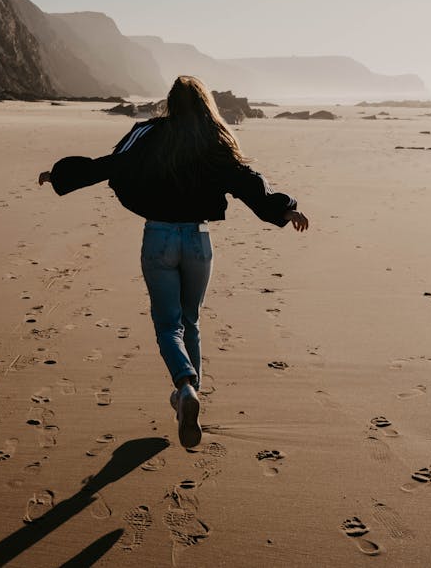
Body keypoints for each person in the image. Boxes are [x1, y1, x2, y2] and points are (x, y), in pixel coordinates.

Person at [38, 75, 308, 449]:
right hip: (198, 240)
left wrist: (60, 175)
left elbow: (110, 165)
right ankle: (189, 400)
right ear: (205, 104)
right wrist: (285, 210)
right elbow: (247, 182)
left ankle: (184, 388)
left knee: (168, 326)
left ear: (170, 102)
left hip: (160, 238)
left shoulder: (149, 133)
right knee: (190, 321)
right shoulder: (214, 141)